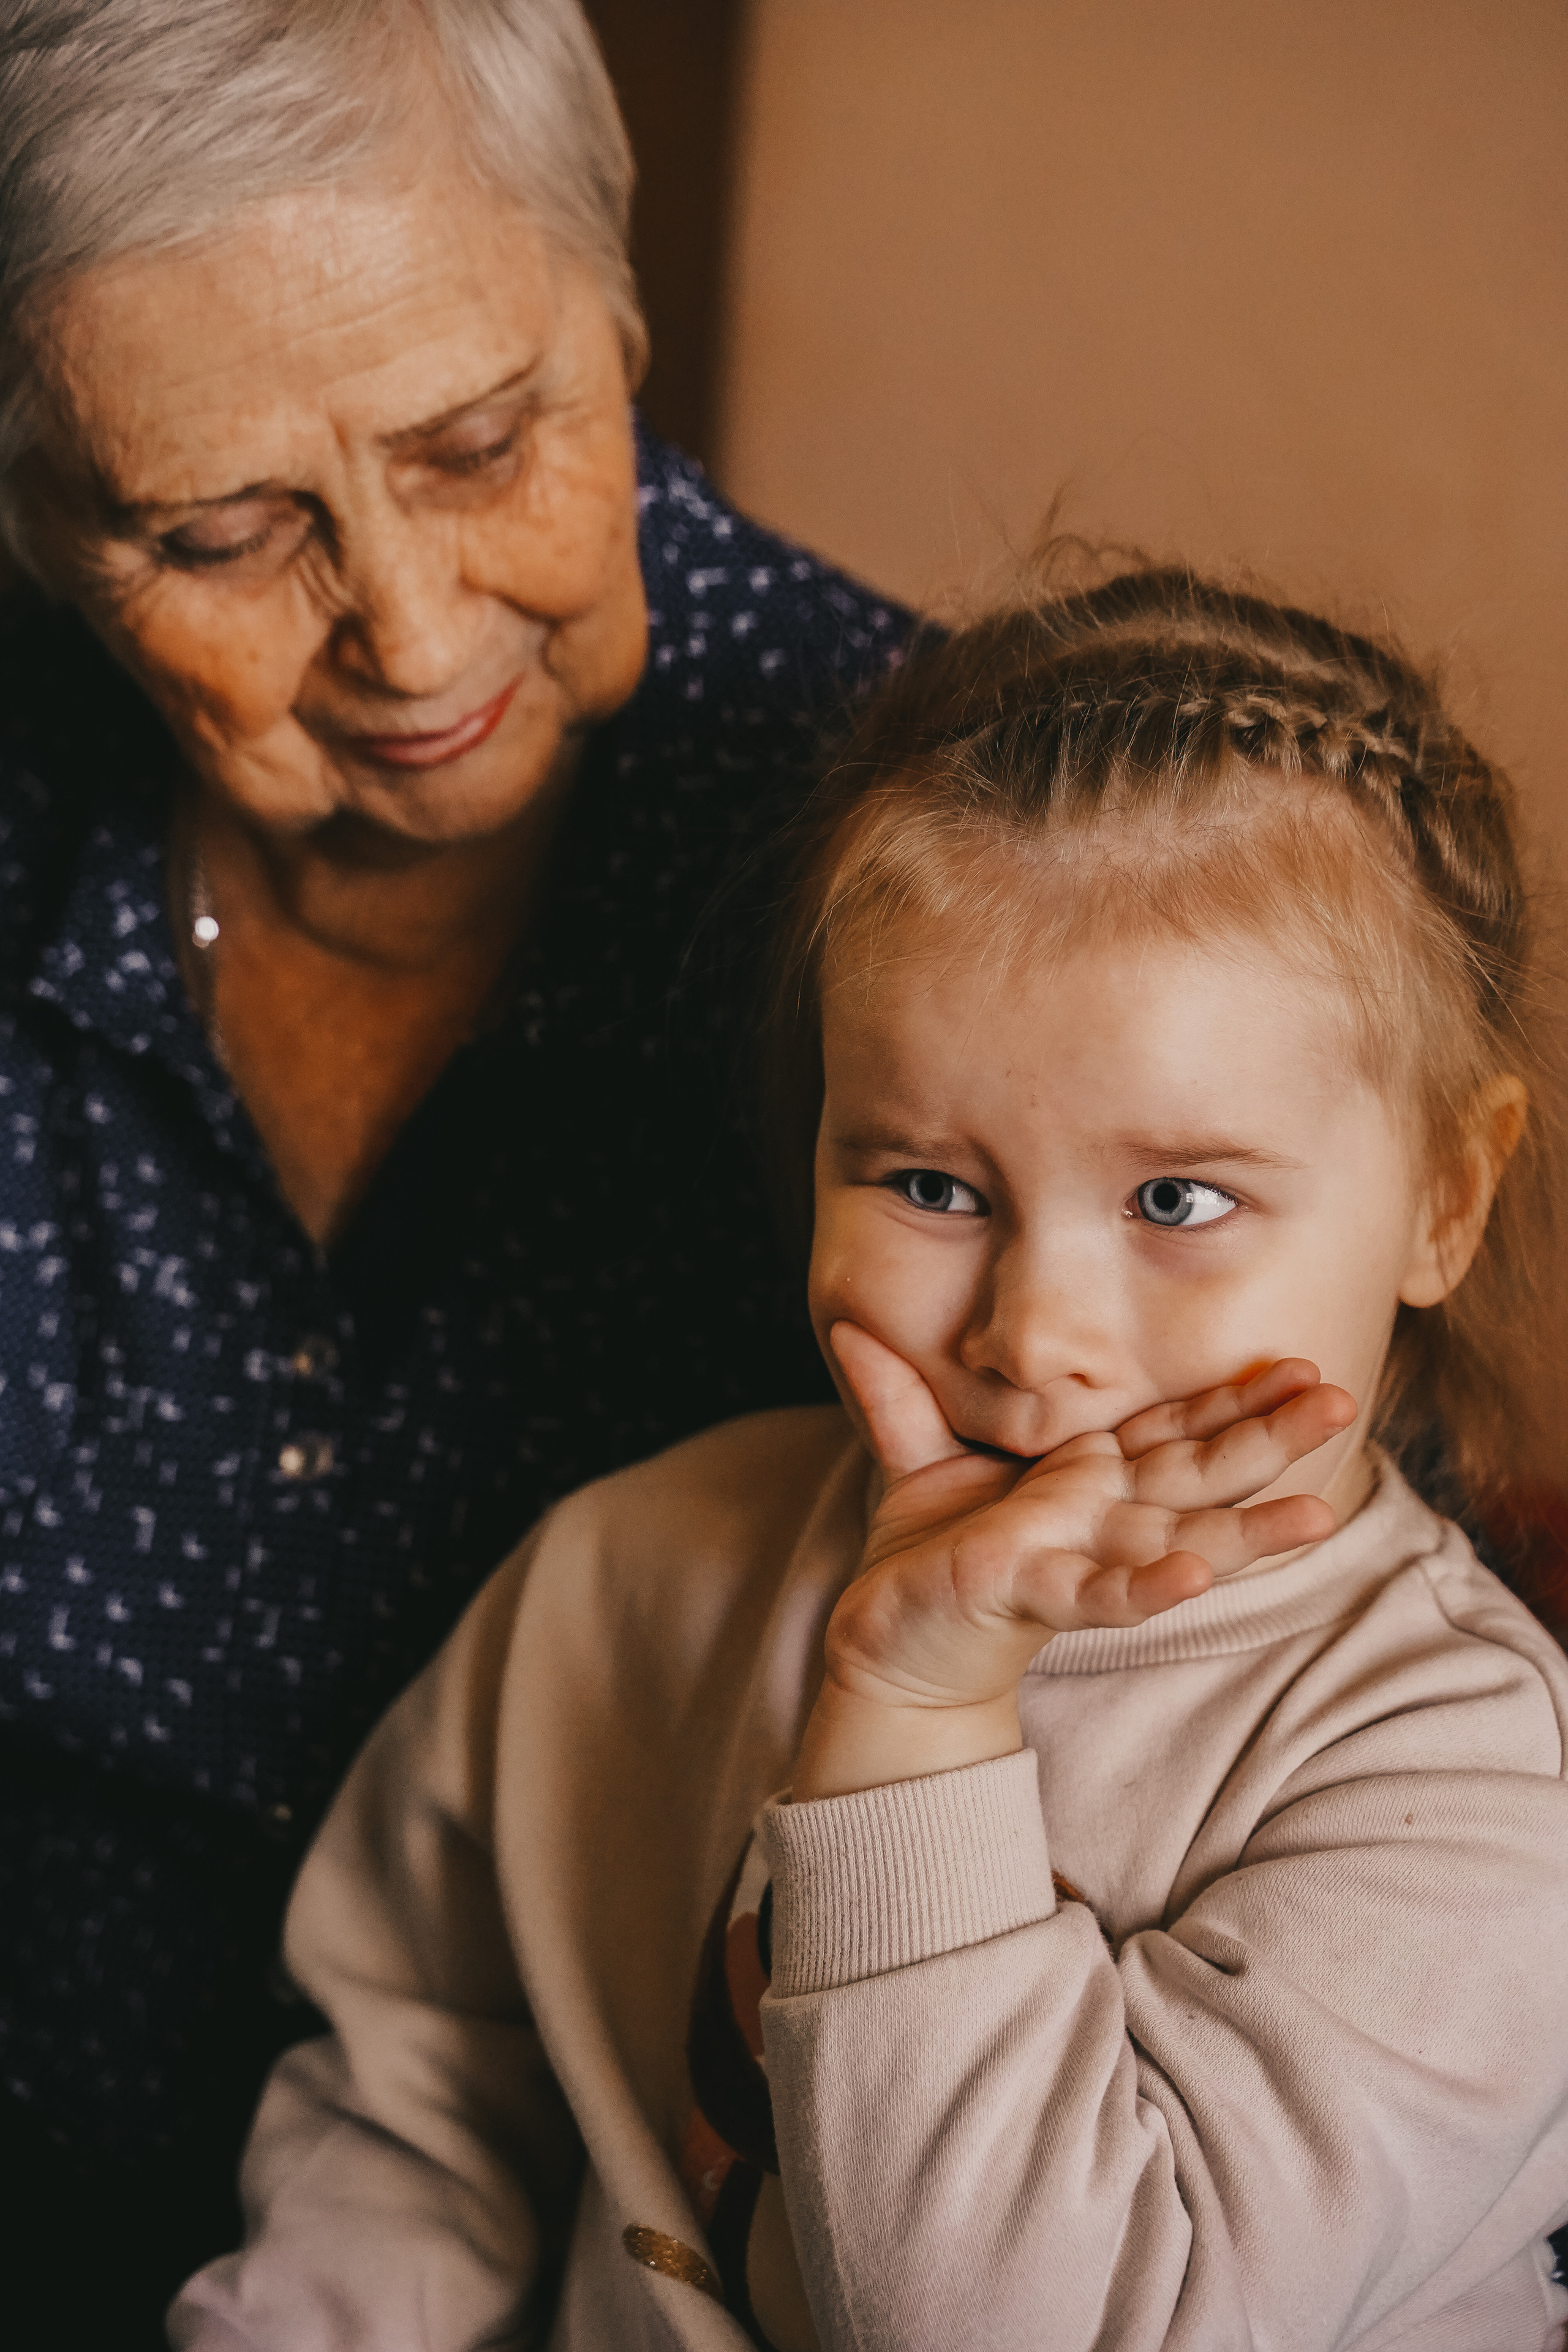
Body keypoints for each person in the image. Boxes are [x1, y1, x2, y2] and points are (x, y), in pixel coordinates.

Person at [172, 568, 1568, 2351]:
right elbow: (428, 2082)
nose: (1031, 1327)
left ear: (1445, 1198)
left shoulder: (1466, 1785)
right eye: (928, 1184)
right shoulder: (626, 1571)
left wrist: (913, 1713)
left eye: (1179, 1200)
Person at [0, 1, 911, 2332]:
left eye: (485, 442)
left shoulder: (935, 877)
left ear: (617, 315)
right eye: (223, 533)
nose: (409, 632)